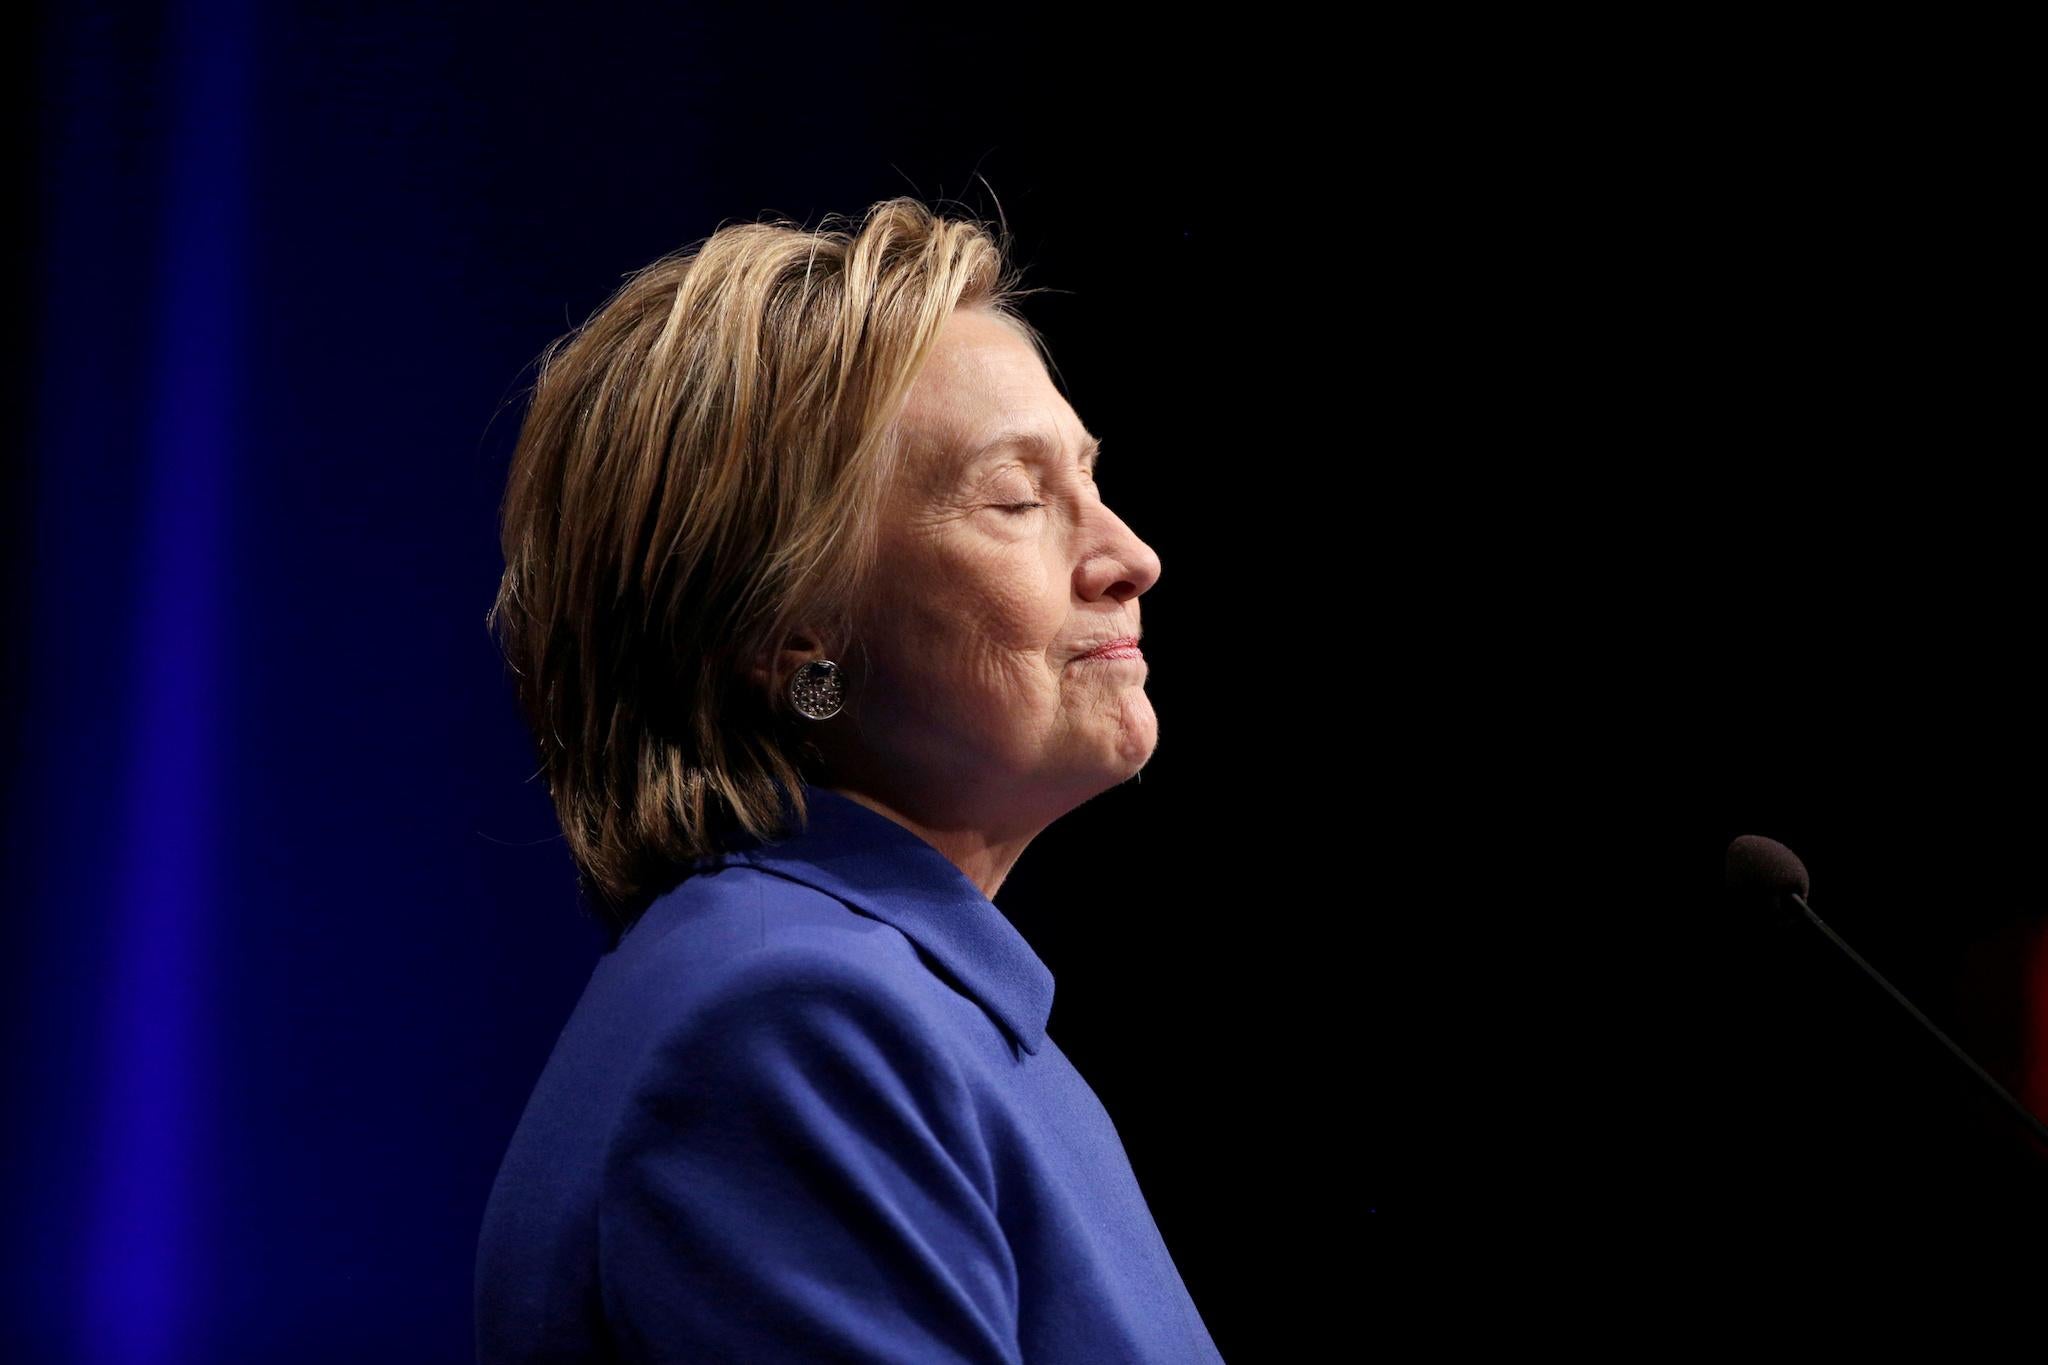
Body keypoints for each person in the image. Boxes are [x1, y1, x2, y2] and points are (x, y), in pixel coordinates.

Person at [473, 197, 1224, 1362]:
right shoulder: (794, 1028)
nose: (1131, 556)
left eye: (1086, 480)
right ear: (797, 639)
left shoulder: (914, 1011)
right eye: (1019, 501)